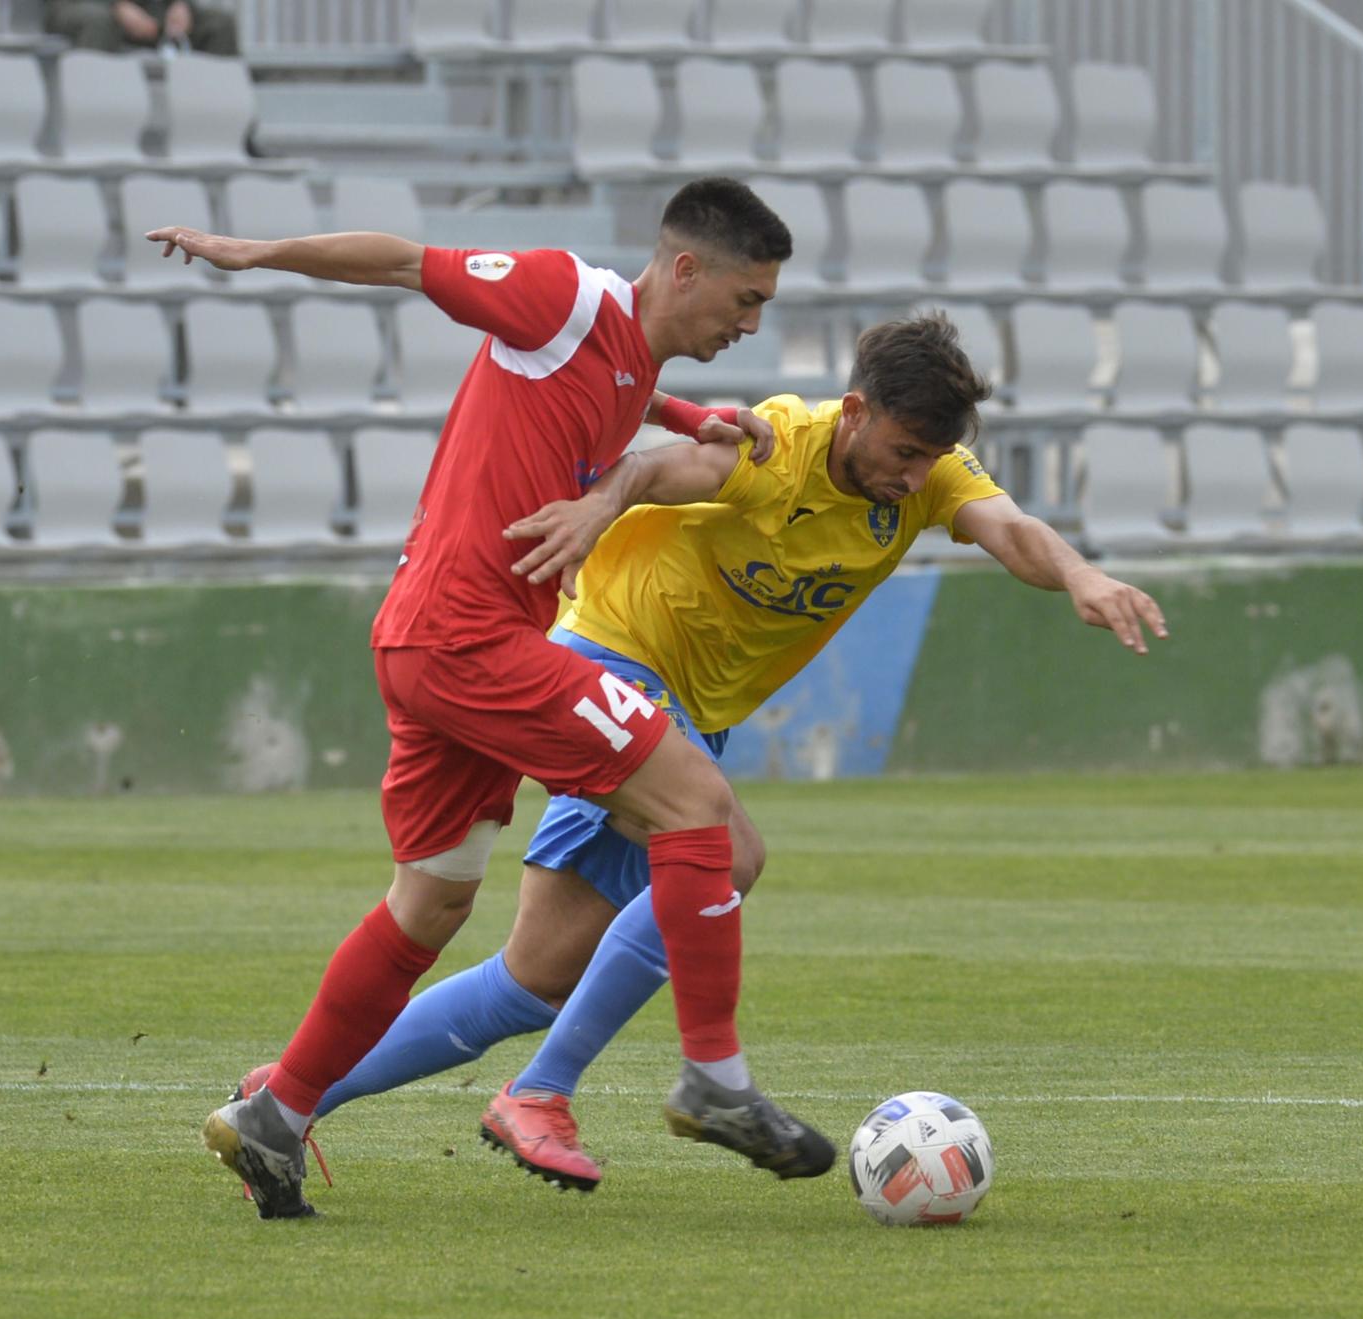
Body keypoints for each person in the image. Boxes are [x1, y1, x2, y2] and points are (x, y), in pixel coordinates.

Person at [238, 312, 1169, 1192]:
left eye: (929, 455)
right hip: (609, 662)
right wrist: (598, 509)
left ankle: (280, 1099)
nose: (913, 473)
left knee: (532, 979)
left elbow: (1011, 527)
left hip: (689, 712)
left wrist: (1081, 573)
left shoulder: (932, 474)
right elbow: (656, 468)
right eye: (901, 451)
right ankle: (545, 1092)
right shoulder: (774, 447)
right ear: (854, 413)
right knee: (728, 846)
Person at [145, 177, 829, 1221]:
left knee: (431, 900)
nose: (750, 324)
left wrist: (689, 412)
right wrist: (256, 253)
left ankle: (277, 1112)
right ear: (683, 269)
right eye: (745, 301)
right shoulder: (564, 298)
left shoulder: (628, 354)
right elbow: (406, 261)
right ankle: (710, 1074)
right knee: (699, 809)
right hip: (467, 638)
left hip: (433, 643)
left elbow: (618, 390)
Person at [44, 0, 240, 56]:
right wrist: (116, 5)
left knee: (220, 25)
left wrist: (181, 5)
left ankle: (234, 130)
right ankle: (88, 127)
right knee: (99, 23)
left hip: (152, 9)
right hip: (81, 6)